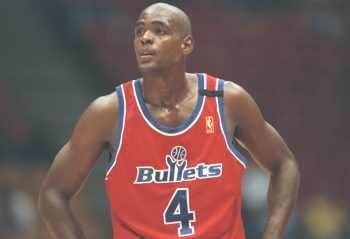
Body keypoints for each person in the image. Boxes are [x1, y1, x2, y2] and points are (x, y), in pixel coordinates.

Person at [38, 3, 300, 239]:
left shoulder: (227, 100)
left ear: (185, 44)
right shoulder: (109, 112)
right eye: (139, 32)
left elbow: (284, 164)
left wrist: (272, 234)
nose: (145, 38)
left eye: (159, 31)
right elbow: (52, 194)